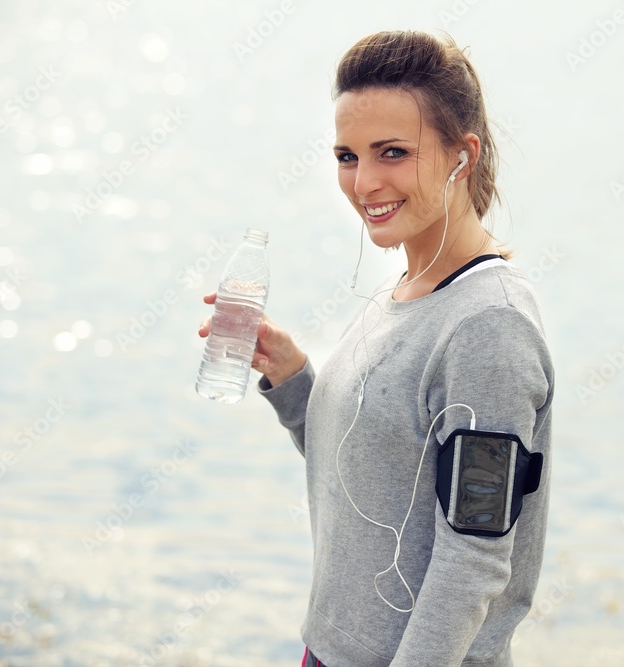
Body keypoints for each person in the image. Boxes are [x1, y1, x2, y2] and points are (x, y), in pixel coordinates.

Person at [199, 30, 554, 667]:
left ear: (461, 155)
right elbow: (377, 470)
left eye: (392, 152)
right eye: (347, 155)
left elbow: (474, 555)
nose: (364, 182)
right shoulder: (407, 290)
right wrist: (293, 377)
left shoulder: (489, 328)